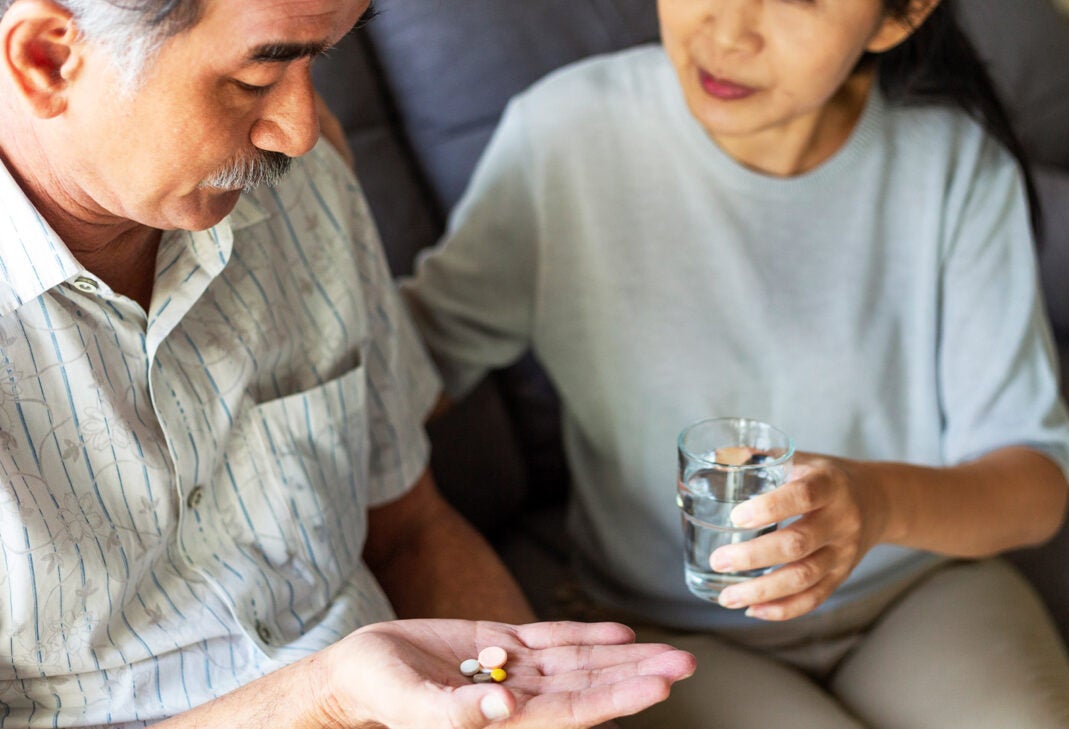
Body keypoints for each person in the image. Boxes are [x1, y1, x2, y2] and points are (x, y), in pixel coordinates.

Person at [0, 0, 695, 727]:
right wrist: (321, 699)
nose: (302, 133)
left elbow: (412, 528)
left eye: (319, 58)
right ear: (48, 58)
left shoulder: (301, 192)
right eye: (255, 75)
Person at [399, 0, 1069, 726]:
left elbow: (1033, 483)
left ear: (900, 16)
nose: (726, 34)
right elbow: (413, 364)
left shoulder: (953, 162)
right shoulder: (564, 135)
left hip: (916, 591)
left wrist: (876, 502)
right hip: (664, 624)